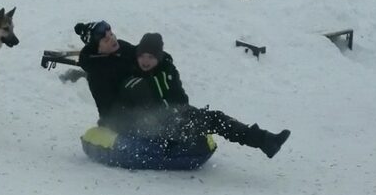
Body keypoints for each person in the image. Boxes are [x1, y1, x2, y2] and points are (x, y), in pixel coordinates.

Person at [115, 32, 291, 158]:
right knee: (197, 122)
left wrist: (183, 113)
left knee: (216, 118)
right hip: (149, 125)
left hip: (174, 118)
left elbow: (181, 99)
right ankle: (264, 140)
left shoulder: (167, 72)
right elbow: (138, 107)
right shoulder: (132, 78)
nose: (146, 61)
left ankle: (265, 140)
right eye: (142, 56)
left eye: (151, 57)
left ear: (159, 58)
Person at [73, 21, 137, 123]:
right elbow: (109, 111)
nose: (113, 39)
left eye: (111, 34)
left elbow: (140, 53)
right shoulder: (97, 74)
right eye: (107, 40)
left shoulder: (121, 47)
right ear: (98, 49)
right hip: (128, 121)